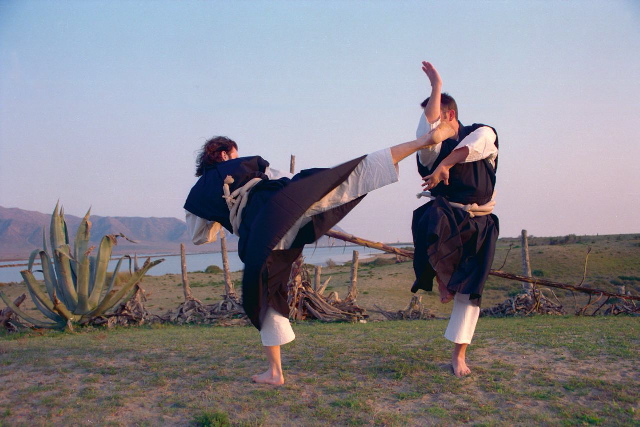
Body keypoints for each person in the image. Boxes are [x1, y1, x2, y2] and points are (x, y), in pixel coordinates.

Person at [184, 126, 454, 385]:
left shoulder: (199, 192)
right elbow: (282, 178)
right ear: (223, 154)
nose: (236, 157)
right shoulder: (248, 165)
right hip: (284, 205)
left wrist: (224, 211)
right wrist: (305, 190)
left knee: (263, 294)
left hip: (261, 231)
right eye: (233, 153)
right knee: (346, 177)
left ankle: (275, 371)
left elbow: (200, 237)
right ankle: (421, 142)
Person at [411, 61, 499, 377]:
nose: (429, 125)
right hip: (446, 217)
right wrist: (436, 87)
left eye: (436, 117)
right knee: (428, 218)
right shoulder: (432, 149)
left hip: (479, 223)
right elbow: (427, 140)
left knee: (470, 291)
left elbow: (473, 147)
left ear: (449, 116)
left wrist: (446, 165)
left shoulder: (483, 132)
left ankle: (459, 355)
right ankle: (443, 277)